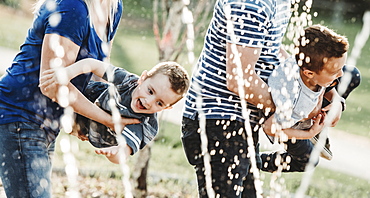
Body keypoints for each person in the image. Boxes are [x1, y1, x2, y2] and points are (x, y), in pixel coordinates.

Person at [0, 0, 139, 197]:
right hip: (20, 115)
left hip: (46, 121)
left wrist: (83, 121)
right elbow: (51, 84)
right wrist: (107, 120)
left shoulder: (113, 7)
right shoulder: (73, 7)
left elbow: (96, 74)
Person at [181, 0, 292, 197]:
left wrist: (318, 86)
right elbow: (240, 80)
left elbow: (270, 47)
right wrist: (293, 110)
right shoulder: (251, 3)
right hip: (219, 120)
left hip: (241, 122)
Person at [39, 58, 190, 164]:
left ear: (167, 108)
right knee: (50, 96)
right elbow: (92, 64)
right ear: (142, 78)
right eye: (150, 91)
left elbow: (124, 153)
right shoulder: (128, 81)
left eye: (159, 103)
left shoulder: (144, 124)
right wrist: (67, 73)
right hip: (87, 98)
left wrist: (113, 153)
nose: (148, 102)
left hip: (88, 128)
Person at [260, 25, 361, 172]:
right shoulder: (295, 103)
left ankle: (319, 129)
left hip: (306, 97)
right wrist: (309, 133)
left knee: (352, 74)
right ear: (309, 73)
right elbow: (270, 128)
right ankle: (254, 163)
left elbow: (279, 49)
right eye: (334, 72)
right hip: (292, 123)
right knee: (308, 161)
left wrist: (337, 101)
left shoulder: (304, 59)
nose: (339, 75)